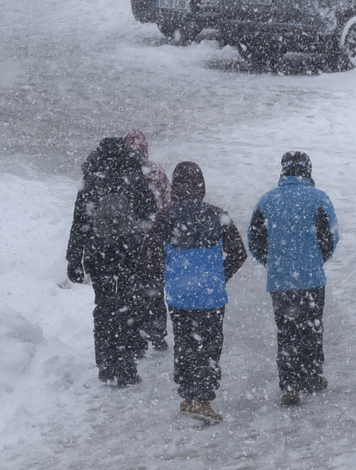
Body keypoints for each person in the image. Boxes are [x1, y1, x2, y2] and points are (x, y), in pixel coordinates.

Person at [148, 161, 247, 425]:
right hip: (210, 295)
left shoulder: (165, 217)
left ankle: (188, 394)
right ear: (201, 186)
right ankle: (203, 399)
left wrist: (168, 277)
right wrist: (219, 276)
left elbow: (148, 258)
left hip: (180, 295)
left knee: (185, 343)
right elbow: (239, 253)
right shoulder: (217, 214)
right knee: (209, 346)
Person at [248, 151, 340, 406]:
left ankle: (289, 385)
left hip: (280, 281)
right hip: (311, 278)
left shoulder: (267, 201)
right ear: (307, 171)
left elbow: (254, 240)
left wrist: (273, 263)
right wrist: (315, 260)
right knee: (312, 328)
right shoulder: (319, 198)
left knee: (287, 332)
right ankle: (311, 376)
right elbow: (331, 238)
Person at [66, 137, 160, 382]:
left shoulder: (91, 181)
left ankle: (106, 365)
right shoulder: (134, 178)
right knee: (128, 304)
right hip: (129, 253)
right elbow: (149, 215)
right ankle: (127, 365)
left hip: (99, 255)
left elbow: (79, 224)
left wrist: (75, 260)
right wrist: (148, 249)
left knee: (104, 306)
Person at [123, 129, 172, 351]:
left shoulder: (121, 172)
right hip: (154, 239)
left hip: (129, 240)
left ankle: (136, 335)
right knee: (154, 289)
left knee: (133, 290)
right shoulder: (156, 171)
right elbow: (168, 202)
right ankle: (158, 333)